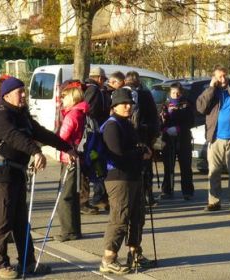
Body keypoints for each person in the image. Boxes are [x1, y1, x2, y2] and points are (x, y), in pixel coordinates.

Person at [0, 77, 77, 279]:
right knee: (2, 220)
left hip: (18, 172)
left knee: (21, 221)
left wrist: (66, 148)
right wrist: (36, 152)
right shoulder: (0, 116)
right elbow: (13, 137)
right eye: (20, 92)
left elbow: (42, 133)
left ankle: (27, 262)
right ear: (7, 95)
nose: (24, 95)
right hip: (2, 174)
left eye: (24, 91)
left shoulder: (21, 115)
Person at [100, 88, 154, 275]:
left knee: (137, 217)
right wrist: (141, 153)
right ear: (114, 106)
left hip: (133, 176)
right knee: (120, 218)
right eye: (124, 103)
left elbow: (134, 146)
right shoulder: (112, 126)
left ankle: (134, 253)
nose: (128, 106)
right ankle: (108, 258)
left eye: (130, 103)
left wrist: (143, 148)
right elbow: (118, 155)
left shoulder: (126, 123)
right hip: (118, 178)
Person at [196, 65, 230, 212]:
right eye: (219, 76)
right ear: (214, 77)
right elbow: (201, 107)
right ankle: (214, 202)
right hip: (216, 138)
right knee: (214, 171)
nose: (223, 79)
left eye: (225, 75)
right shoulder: (211, 92)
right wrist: (211, 88)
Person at [55, 80, 88, 242]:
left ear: (72, 98)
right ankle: (74, 229)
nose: (62, 100)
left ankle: (68, 231)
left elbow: (61, 138)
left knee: (65, 196)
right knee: (73, 196)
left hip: (69, 158)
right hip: (76, 157)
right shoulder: (81, 113)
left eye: (64, 97)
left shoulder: (72, 115)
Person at [124, 71, 159, 205]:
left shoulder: (143, 94)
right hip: (140, 135)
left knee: (143, 167)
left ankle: (144, 195)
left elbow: (153, 116)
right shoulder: (144, 94)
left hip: (139, 135)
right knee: (143, 166)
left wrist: (153, 133)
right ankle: (145, 195)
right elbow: (154, 116)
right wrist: (154, 133)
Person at [82, 67, 111, 213]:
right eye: (103, 79)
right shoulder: (93, 91)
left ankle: (99, 197)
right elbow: (89, 111)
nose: (103, 82)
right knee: (95, 163)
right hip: (93, 135)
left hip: (94, 135)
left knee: (96, 164)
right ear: (99, 78)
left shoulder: (90, 89)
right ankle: (95, 198)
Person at [160, 82, 195, 200]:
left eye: (178, 93)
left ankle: (187, 191)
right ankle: (167, 191)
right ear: (170, 93)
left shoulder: (187, 105)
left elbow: (190, 121)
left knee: (185, 166)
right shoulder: (165, 105)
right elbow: (159, 121)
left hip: (183, 139)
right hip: (168, 139)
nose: (175, 95)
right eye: (173, 93)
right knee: (168, 166)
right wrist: (165, 129)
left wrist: (178, 128)